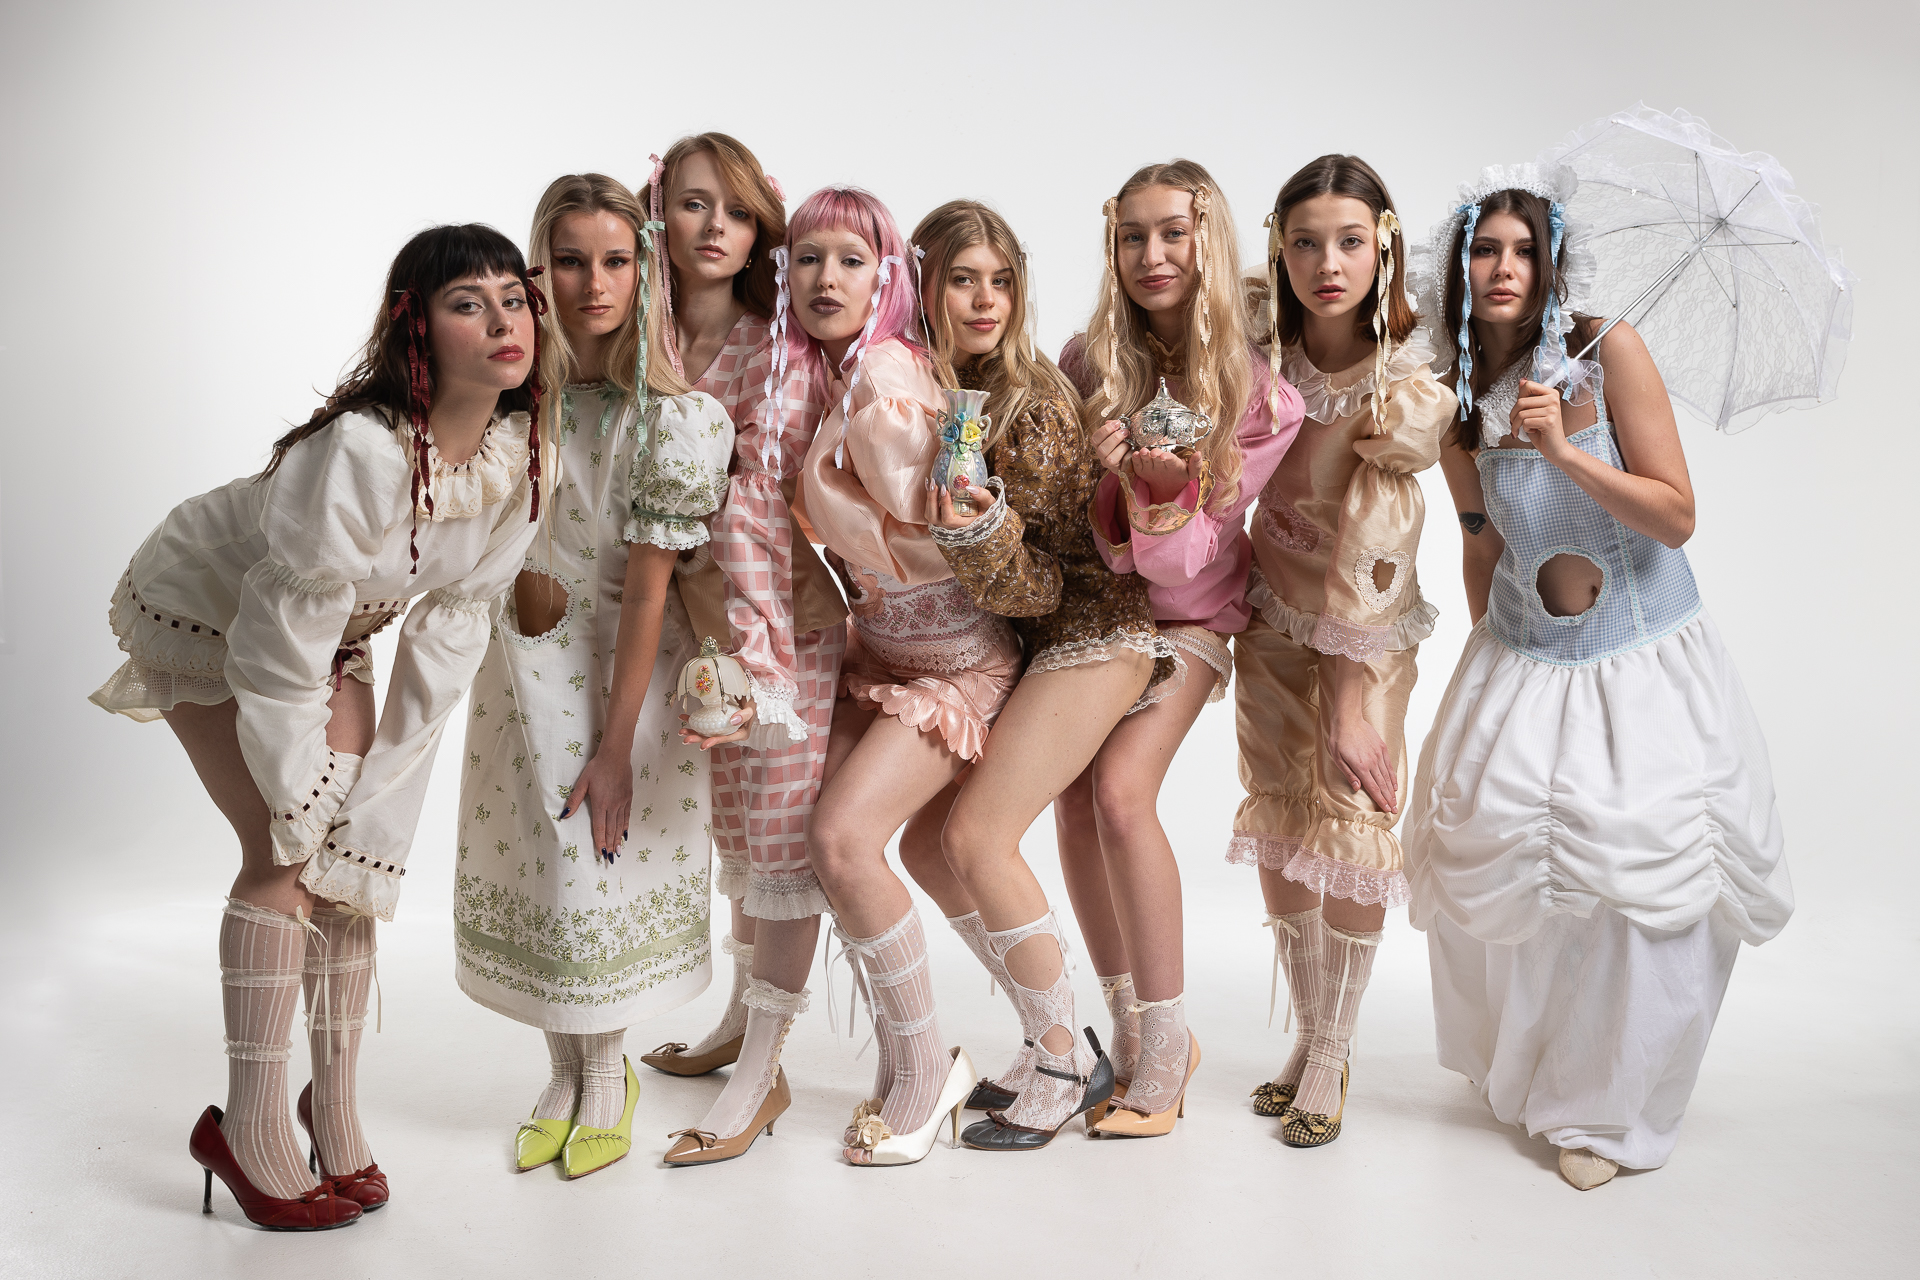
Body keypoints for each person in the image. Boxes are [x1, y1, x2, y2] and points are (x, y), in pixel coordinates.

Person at [90, 223, 549, 1227]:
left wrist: (381, 812)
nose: (501, 319)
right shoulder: (363, 449)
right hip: (218, 610)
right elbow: (276, 633)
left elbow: (448, 637)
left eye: (513, 298)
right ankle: (247, 1127)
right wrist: (298, 789)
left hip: (329, 626)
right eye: (467, 302)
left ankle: (330, 1107)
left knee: (347, 859)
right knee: (284, 849)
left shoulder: (520, 457)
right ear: (418, 327)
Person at [1402, 164, 1793, 1190]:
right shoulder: (1456, 400)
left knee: (1639, 882)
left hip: (1639, 656)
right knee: (1516, 868)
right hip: (1526, 656)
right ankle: (1535, 1067)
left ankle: (1606, 1111)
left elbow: (1676, 515)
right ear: (1459, 267)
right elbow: (1480, 537)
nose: (1505, 268)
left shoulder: (1606, 348)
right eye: (1486, 250)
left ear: (1552, 265)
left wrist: (1566, 450)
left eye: (1525, 251)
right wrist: (1485, 662)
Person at [456, 174, 734, 1180]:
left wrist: (617, 748)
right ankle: (563, 1074)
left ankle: (606, 1075)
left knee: (594, 861)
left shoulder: (670, 418)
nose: (593, 282)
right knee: (541, 856)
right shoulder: (518, 405)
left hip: (622, 669)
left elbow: (651, 592)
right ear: (540, 272)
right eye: (569, 261)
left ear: (645, 268)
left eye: (615, 260)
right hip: (520, 663)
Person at [903, 198, 1174, 1138]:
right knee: (927, 846)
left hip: (1094, 630)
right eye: (963, 280)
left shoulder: (1032, 400)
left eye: (1002, 281)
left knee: (979, 837)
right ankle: (1045, 1030)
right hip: (1035, 647)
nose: (986, 301)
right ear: (923, 287)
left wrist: (973, 533)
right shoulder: (941, 391)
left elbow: (1048, 581)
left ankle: (1065, 1062)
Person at [1228, 155, 1456, 1147]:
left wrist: (1353, 700)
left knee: (1354, 814)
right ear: (1280, 250)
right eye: (1306, 242)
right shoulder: (1261, 346)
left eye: (1351, 242)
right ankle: (1311, 1030)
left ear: (1383, 247)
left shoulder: (1402, 382)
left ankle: (1334, 1047)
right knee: (1282, 812)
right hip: (1270, 614)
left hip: (1360, 634)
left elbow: (1376, 547)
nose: (1329, 263)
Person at [636, 133, 851, 1082]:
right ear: (660, 215)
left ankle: (764, 1067)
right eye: (693, 204)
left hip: (782, 629)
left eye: (734, 210)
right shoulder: (643, 341)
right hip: (698, 631)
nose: (714, 226)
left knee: (780, 846)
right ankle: (737, 1022)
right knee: (737, 836)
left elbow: (761, 507)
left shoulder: (778, 347)